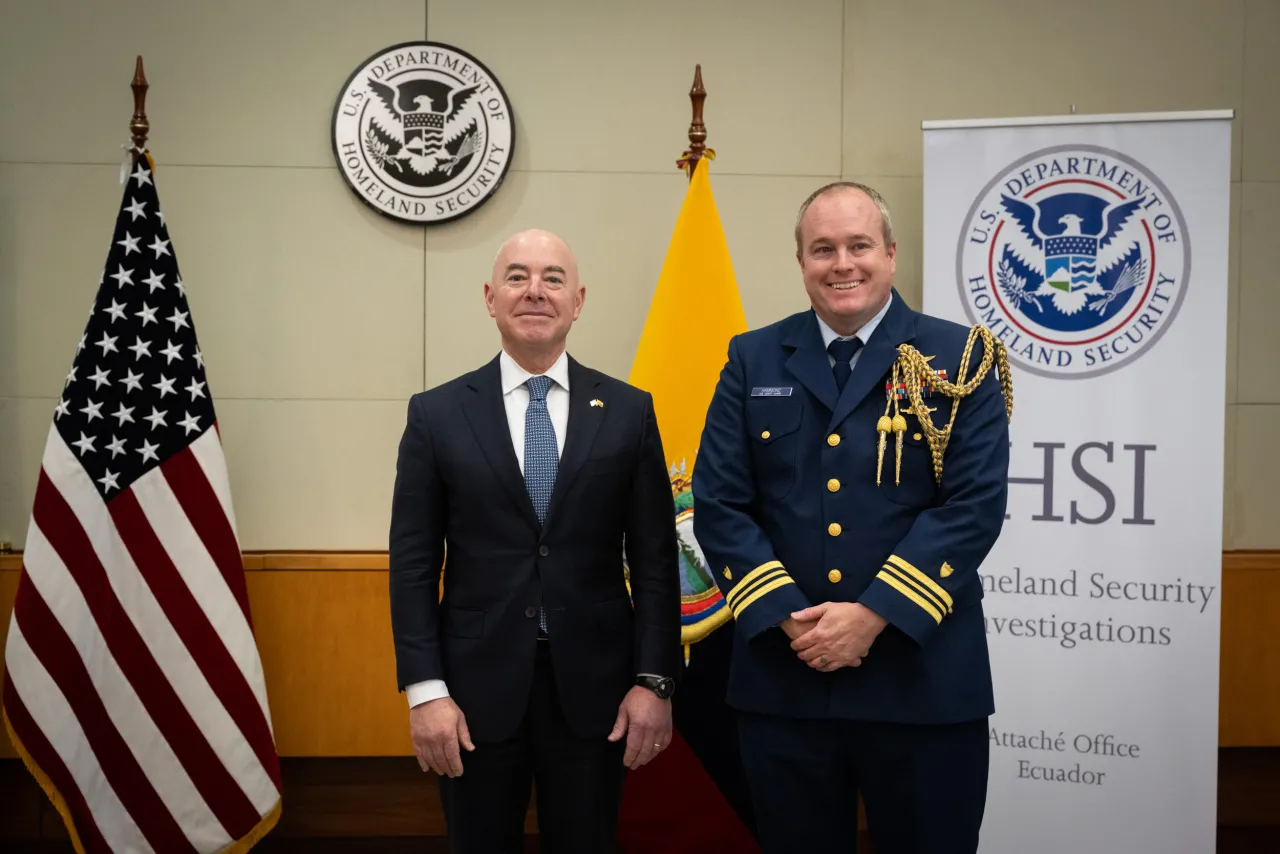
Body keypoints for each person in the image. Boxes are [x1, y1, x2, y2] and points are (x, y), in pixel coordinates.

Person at [691, 182, 1014, 853]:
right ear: (802, 261)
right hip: (786, 683)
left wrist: (870, 617)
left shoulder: (960, 358)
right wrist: (791, 617)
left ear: (891, 255)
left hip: (922, 685)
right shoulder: (752, 359)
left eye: (859, 245)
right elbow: (720, 504)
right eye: (822, 249)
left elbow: (973, 507)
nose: (842, 263)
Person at [388, 229, 682, 853]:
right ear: (491, 298)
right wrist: (425, 691)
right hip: (470, 695)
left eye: (553, 278)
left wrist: (654, 680)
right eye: (518, 277)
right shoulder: (436, 414)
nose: (535, 291)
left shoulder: (629, 412)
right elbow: (413, 565)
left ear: (578, 301)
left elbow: (656, 560)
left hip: (598, 693)